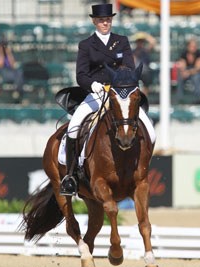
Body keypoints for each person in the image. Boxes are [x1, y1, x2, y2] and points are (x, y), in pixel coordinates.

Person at [60, 3, 156, 196]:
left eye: (108, 19)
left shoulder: (121, 41)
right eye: (102, 20)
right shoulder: (86, 45)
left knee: (150, 131)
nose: (105, 23)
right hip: (96, 93)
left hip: (120, 93)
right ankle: (70, 177)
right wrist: (93, 85)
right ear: (95, 21)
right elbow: (81, 75)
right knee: (73, 127)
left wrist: (122, 85)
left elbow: (128, 67)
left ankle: (142, 170)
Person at [176, 37, 200, 103]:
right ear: (188, 46)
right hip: (187, 72)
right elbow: (182, 65)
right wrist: (184, 72)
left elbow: (198, 68)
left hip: (196, 73)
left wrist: (188, 72)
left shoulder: (199, 54)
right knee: (180, 77)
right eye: (191, 46)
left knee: (196, 78)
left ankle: (198, 100)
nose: (193, 48)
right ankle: (180, 99)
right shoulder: (184, 54)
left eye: (195, 46)